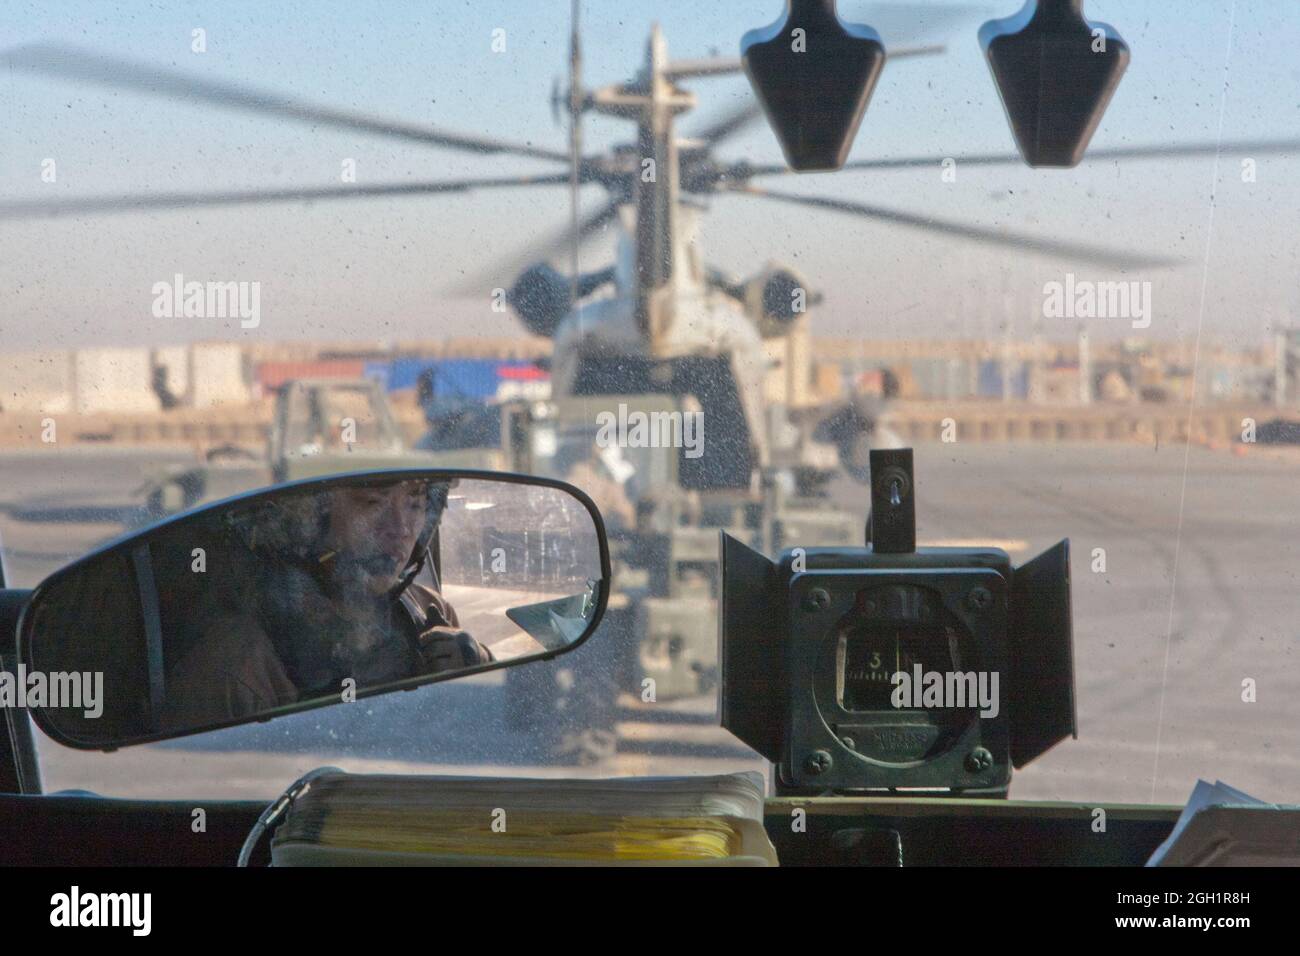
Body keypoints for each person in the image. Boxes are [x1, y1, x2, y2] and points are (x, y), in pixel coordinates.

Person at [159, 478, 493, 730]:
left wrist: (475, 667)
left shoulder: (428, 615)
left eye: (416, 504)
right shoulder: (238, 668)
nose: (401, 529)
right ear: (308, 516)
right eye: (373, 502)